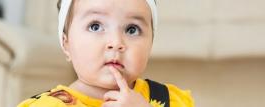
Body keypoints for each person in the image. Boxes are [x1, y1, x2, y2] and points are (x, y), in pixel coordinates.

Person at [18, 0, 194, 107]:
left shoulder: (168, 100)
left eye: (132, 29)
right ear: (66, 44)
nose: (116, 43)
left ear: (150, 44)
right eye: (95, 26)